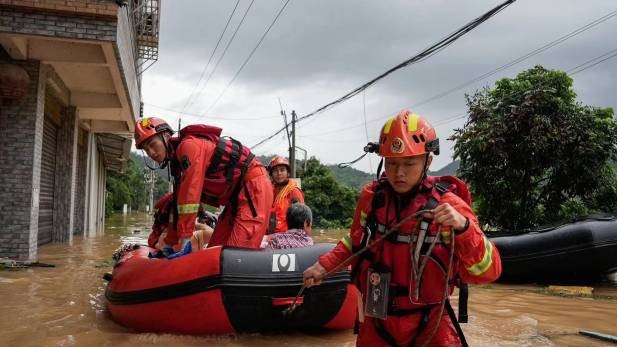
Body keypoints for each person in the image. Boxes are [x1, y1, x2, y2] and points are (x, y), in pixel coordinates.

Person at [303, 110, 502, 347]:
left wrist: (464, 228)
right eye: (392, 163)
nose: (399, 173)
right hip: (378, 318)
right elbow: (356, 241)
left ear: (427, 161)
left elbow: (489, 271)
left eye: (409, 163)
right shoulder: (372, 200)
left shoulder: (450, 208)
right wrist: (324, 266)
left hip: (429, 320)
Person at [135, 117, 274, 258]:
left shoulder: (189, 147)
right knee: (214, 254)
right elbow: (179, 204)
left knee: (235, 258)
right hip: (235, 199)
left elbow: (190, 195)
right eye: (146, 150)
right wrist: (171, 241)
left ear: (166, 136)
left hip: (254, 187)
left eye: (153, 144)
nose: (151, 153)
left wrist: (185, 238)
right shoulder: (177, 163)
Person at [268, 156, 305, 234]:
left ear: (288, 173)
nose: (279, 173)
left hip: (288, 236)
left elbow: (300, 218)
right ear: (271, 174)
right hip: (270, 235)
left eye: (282, 170)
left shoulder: (294, 192)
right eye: (275, 171)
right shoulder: (269, 191)